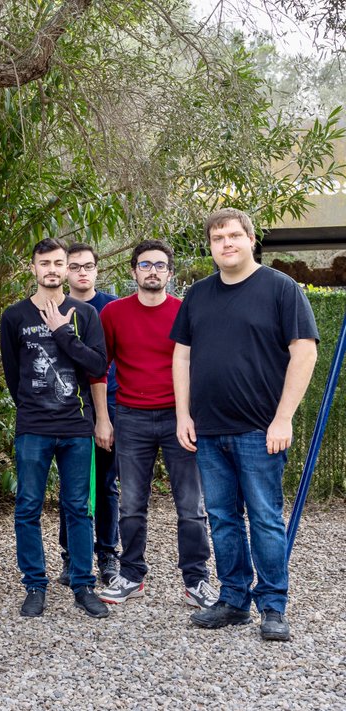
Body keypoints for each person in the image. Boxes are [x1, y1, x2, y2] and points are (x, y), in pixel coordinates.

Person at [174, 208, 318, 642]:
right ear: (211, 246)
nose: (226, 244)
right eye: (218, 238)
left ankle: (273, 606)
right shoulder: (198, 295)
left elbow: (305, 351)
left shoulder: (281, 289)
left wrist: (284, 419)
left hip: (261, 431)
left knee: (265, 519)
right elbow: (181, 355)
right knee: (222, 519)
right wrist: (183, 414)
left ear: (252, 239)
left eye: (234, 235)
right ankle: (234, 599)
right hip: (210, 430)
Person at [94, 241, 217, 609]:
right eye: (145, 264)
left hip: (180, 418)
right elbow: (99, 368)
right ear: (133, 271)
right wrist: (103, 417)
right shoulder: (114, 313)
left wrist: (194, 415)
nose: (152, 271)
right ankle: (131, 575)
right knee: (131, 503)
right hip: (131, 417)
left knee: (191, 505)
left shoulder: (185, 310)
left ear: (169, 272)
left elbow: (201, 365)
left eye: (160, 265)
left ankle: (196, 580)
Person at [0, 238, 109, 619]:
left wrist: (63, 331)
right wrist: (31, 408)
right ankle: (34, 585)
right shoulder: (15, 316)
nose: (51, 269)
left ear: (67, 268)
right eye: (44, 262)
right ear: (33, 267)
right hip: (34, 427)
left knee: (78, 507)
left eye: (58, 263)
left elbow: (97, 366)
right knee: (28, 506)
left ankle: (82, 584)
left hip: (77, 427)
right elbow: (14, 375)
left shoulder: (85, 315)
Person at [58, 243, 120, 587]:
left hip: (108, 403)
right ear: (65, 270)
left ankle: (108, 552)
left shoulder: (111, 307)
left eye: (88, 266)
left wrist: (106, 415)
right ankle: (72, 556)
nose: (82, 272)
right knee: (73, 484)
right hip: (66, 407)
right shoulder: (54, 306)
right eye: (75, 266)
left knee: (107, 483)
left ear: (97, 270)